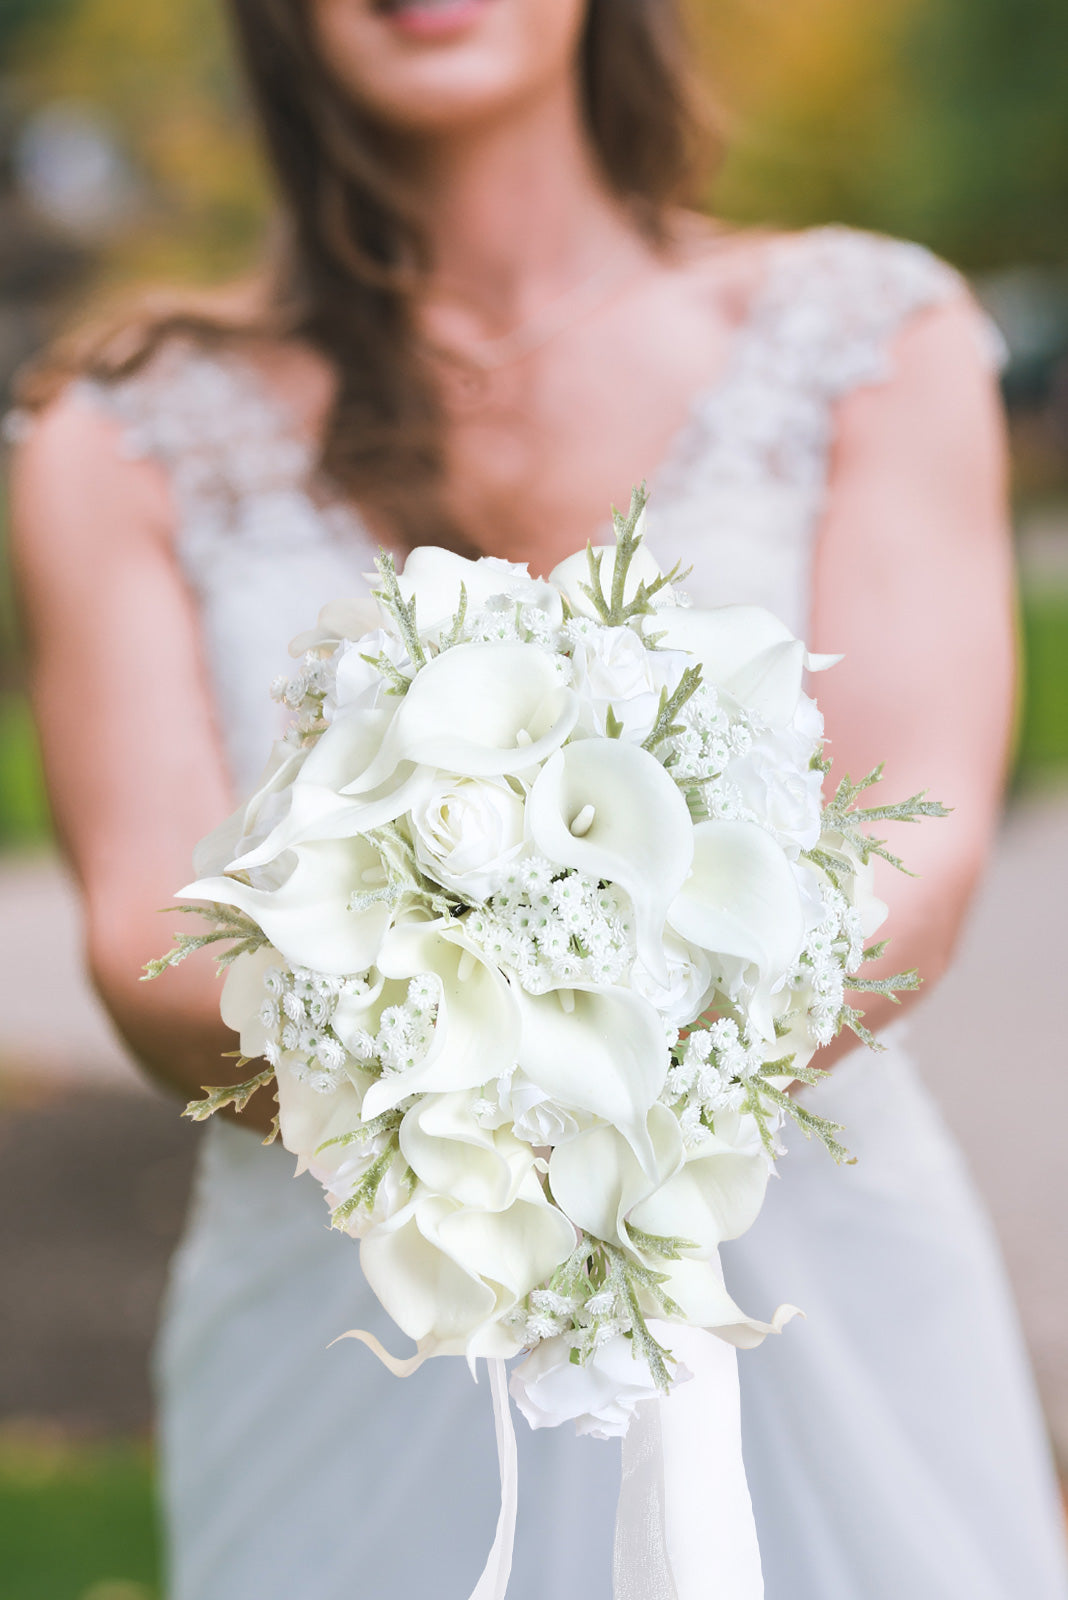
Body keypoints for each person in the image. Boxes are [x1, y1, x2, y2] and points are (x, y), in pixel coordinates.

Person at [9, 2, 1068, 1597]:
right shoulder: (121, 435)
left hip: (809, 1280)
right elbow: (152, 942)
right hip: (353, 1323)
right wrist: (454, 1084)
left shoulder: (868, 334)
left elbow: (920, 823)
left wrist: (630, 1059)